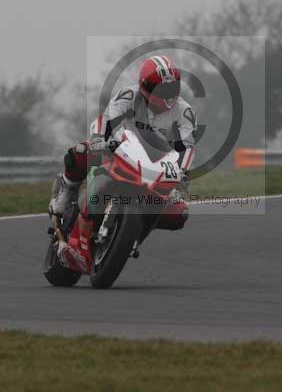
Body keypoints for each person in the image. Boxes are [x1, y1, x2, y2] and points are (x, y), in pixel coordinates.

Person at [49, 54, 197, 273]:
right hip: (118, 152)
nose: (166, 96)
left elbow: (187, 146)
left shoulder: (184, 112)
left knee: (178, 214)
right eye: (159, 90)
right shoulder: (128, 95)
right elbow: (106, 120)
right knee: (81, 151)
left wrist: (182, 172)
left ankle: (132, 237)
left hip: (155, 169)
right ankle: (66, 193)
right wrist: (100, 139)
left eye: (171, 89)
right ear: (144, 86)